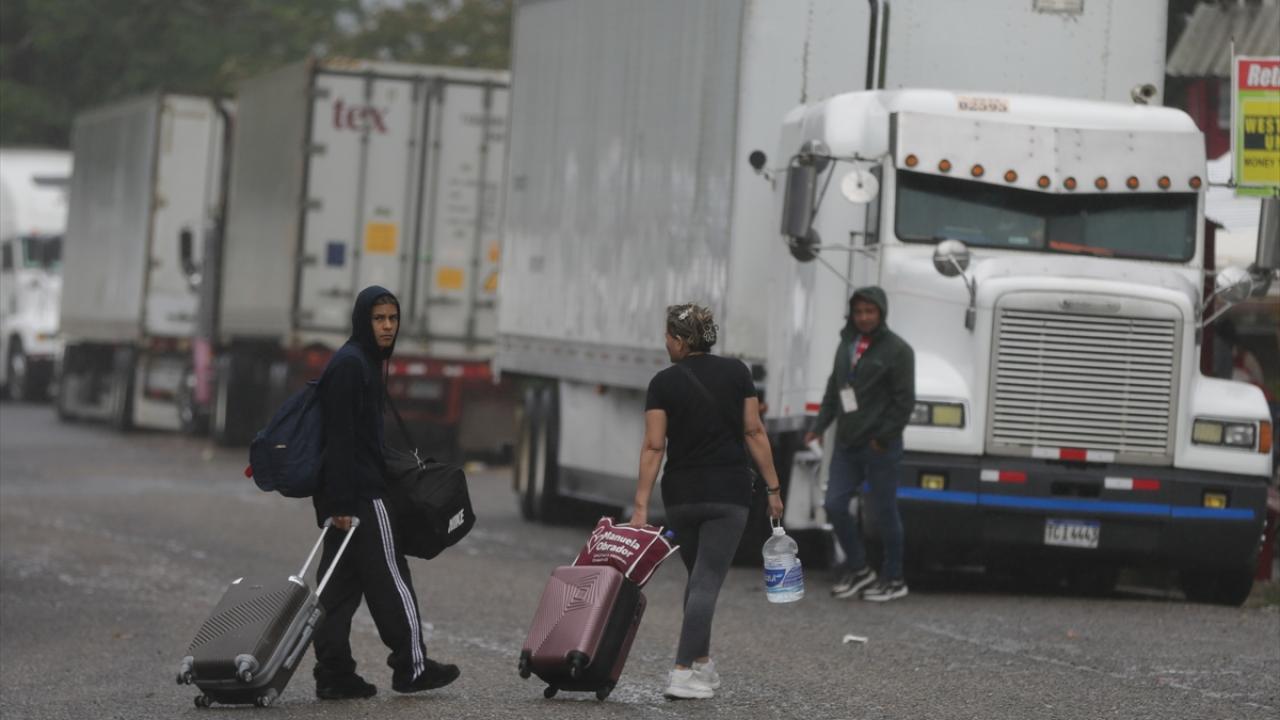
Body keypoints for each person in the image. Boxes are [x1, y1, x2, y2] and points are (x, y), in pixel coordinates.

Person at [310, 285, 460, 700]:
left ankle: (334, 673)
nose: (388, 326)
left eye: (393, 318)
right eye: (379, 319)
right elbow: (340, 439)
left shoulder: (360, 362)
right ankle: (412, 667)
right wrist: (343, 503)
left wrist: (336, 501)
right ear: (363, 321)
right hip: (359, 495)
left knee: (337, 589)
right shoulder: (351, 365)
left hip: (344, 494)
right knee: (391, 577)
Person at [629, 303, 785, 700]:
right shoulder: (737, 373)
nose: (666, 342)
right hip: (727, 493)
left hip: (681, 496)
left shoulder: (662, 383)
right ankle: (681, 672)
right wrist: (773, 488)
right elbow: (753, 432)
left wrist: (641, 506)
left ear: (682, 341)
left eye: (669, 336)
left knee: (699, 577)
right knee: (706, 580)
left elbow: (654, 446)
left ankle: (700, 663)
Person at [804, 286, 915, 602]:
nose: (864, 317)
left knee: (884, 512)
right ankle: (859, 569)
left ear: (881, 313)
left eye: (870, 311)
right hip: (847, 443)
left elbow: (904, 402)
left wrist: (883, 438)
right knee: (834, 505)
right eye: (859, 312)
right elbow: (834, 388)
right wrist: (819, 426)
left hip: (879, 445)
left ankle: (894, 577)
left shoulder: (898, 350)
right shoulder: (846, 344)